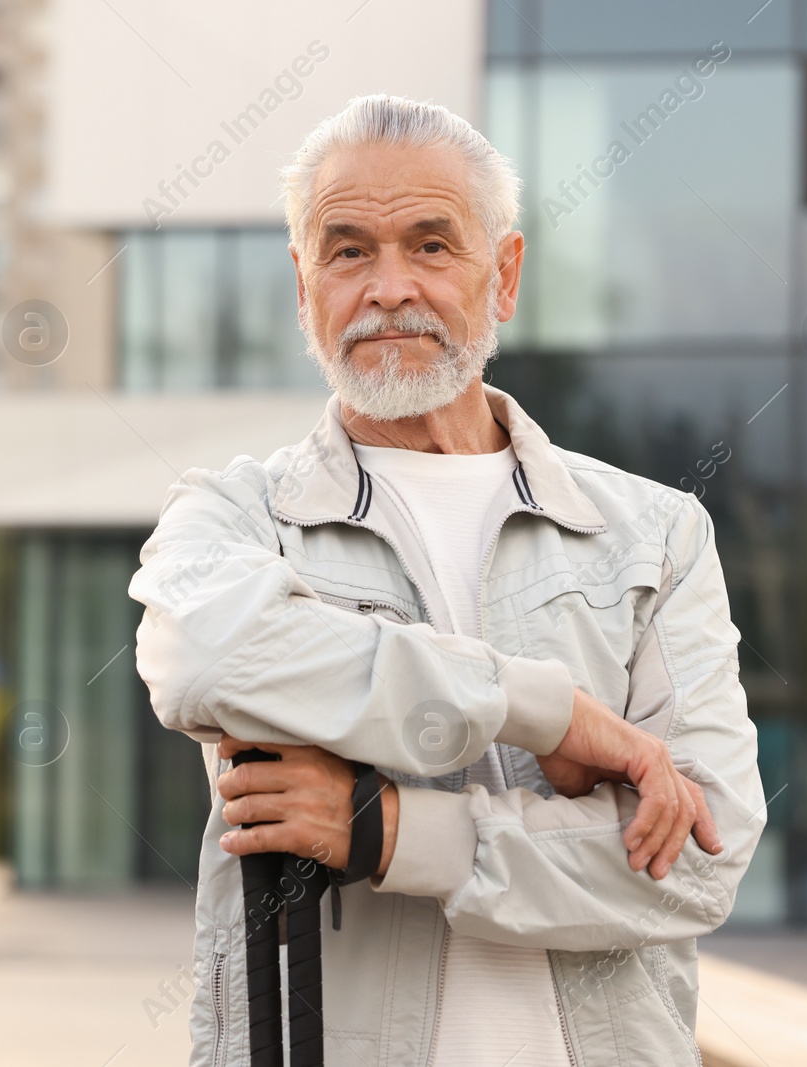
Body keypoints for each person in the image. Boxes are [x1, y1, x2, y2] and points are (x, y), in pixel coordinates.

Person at [128, 94, 765, 1067]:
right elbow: (205, 654)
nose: (389, 287)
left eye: (431, 245)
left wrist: (389, 831)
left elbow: (695, 858)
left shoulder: (652, 535)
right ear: (304, 287)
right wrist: (544, 713)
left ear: (502, 276)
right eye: (348, 251)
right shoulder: (235, 517)